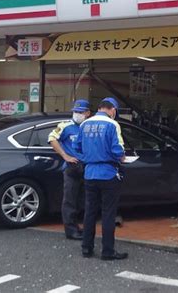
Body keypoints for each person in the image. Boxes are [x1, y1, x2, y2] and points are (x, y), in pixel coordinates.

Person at [74, 97, 128, 260]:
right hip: (108, 173)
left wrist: (90, 156)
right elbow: (117, 149)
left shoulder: (84, 124)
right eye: (115, 111)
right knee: (108, 213)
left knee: (90, 211)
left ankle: (87, 248)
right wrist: (122, 158)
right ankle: (107, 251)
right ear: (112, 109)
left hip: (89, 172)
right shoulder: (112, 125)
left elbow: (77, 147)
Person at [48, 99, 91, 240]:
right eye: (75, 112)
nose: (77, 114)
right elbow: (52, 138)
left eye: (80, 112)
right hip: (72, 167)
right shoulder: (65, 126)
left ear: (87, 113)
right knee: (70, 200)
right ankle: (71, 231)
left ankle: (82, 227)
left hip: (88, 166)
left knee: (84, 200)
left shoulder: (90, 126)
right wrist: (65, 156)